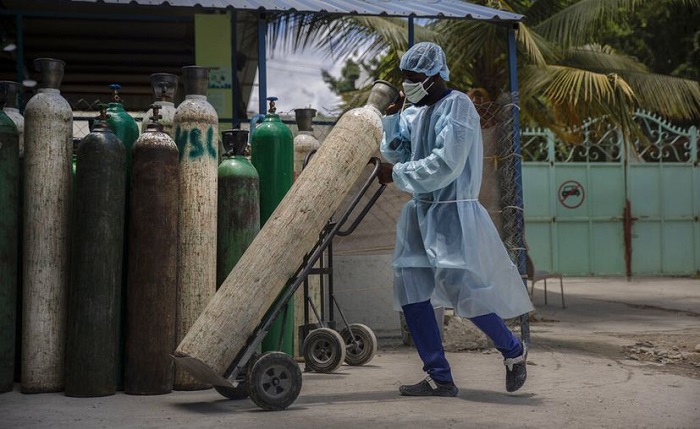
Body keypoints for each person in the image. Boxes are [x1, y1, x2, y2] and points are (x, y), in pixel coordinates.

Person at [378, 42, 534, 397]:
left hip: (453, 211)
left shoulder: (459, 106)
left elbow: (446, 164)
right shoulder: (413, 112)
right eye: (404, 78)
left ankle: (512, 351)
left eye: (414, 77)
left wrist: (397, 173)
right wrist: (391, 122)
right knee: (411, 289)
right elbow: (398, 152)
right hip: (420, 212)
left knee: (462, 291)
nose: (407, 85)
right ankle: (439, 376)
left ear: (434, 76)